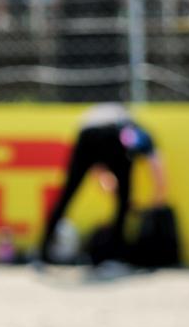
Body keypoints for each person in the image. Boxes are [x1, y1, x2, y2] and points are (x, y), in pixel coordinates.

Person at [37, 103, 168, 265]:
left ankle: (43, 252)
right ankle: (115, 256)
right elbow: (156, 164)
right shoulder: (137, 130)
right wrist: (159, 195)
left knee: (66, 195)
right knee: (123, 200)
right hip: (114, 135)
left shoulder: (100, 118)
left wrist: (106, 181)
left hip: (86, 134)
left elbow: (95, 163)